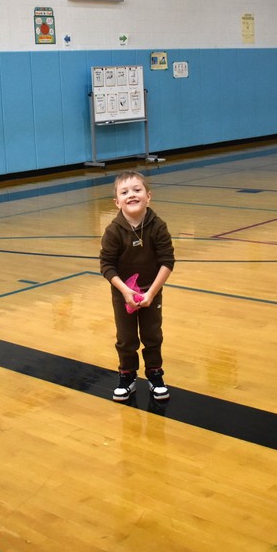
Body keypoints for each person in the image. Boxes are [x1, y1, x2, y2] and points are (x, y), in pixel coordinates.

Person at [99, 171, 176, 402]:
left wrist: (151, 292)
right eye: (124, 192)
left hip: (152, 291)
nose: (131, 195)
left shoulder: (158, 226)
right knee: (126, 337)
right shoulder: (113, 231)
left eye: (136, 190)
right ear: (117, 202)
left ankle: (154, 374)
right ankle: (127, 375)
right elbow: (106, 266)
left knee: (152, 334)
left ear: (148, 196)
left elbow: (167, 261)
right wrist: (125, 291)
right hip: (124, 293)